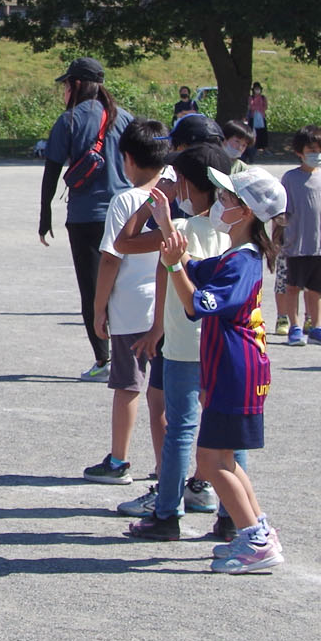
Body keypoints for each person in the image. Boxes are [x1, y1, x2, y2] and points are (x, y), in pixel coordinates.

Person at [164, 164, 287, 573]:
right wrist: (168, 230)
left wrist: (174, 268)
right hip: (233, 370)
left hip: (239, 372)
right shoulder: (233, 255)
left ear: (246, 212)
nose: (219, 202)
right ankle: (257, 531)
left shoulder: (243, 262)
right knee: (224, 459)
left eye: (228, 198)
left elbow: (196, 303)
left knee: (212, 462)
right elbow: (190, 267)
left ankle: (253, 538)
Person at [115, 140, 234, 537]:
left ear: (184, 183)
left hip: (184, 343)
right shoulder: (229, 231)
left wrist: (152, 206)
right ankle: (231, 515)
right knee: (224, 429)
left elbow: (123, 242)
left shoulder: (179, 229)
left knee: (181, 428)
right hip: (220, 342)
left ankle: (167, 513)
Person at [84, 119, 171, 486]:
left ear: (127, 160)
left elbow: (110, 259)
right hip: (167, 309)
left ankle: (119, 459)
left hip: (131, 307)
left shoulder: (126, 200)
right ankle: (166, 466)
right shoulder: (176, 197)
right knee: (164, 392)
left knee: (128, 386)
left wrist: (97, 307)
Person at [38, 58, 130, 378]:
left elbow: (52, 171)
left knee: (92, 290)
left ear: (76, 85)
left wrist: (45, 213)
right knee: (124, 286)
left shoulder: (70, 120)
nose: (64, 90)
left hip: (86, 215)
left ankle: (104, 360)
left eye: (67, 84)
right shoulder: (126, 119)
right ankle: (127, 354)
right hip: (126, 214)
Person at [278, 127, 321, 347]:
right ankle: (294, 328)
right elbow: (282, 211)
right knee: (293, 287)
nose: (318, 153)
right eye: (312, 149)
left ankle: (317, 327)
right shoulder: (291, 178)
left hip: (320, 246)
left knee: (316, 290)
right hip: (296, 244)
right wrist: (280, 237)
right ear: (300, 152)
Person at [247, 82, 270, 153]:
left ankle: (264, 148)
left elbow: (265, 106)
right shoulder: (251, 98)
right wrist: (257, 108)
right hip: (253, 118)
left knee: (263, 133)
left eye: (258, 89)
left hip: (261, 117)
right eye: (256, 89)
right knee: (254, 133)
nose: (257, 90)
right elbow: (250, 107)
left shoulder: (263, 98)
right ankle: (254, 148)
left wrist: (259, 108)